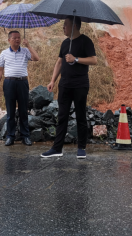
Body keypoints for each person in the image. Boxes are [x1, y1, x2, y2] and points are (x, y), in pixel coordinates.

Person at [41, 16, 97, 159]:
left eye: (65, 24)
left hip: (80, 84)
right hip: (64, 84)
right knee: (62, 116)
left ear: (74, 26)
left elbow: (94, 60)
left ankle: (81, 148)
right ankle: (57, 148)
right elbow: (59, 62)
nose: (63, 27)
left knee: (80, 116)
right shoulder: (65, 43)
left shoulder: (85, 41)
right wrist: (52, 80)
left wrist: (75, 59)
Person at [0, 31, 40, 146]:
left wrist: (28, 45)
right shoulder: (4, 53)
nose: (17, 39)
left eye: (19, 37)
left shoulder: (25, 51)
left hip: (22, 82)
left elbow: (36, 58)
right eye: (14, 38)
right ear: (9, 40)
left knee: (23, 110)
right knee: (10, 111)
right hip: (9, 82)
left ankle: (25, 136)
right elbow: (0, 70)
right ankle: (10, 136)